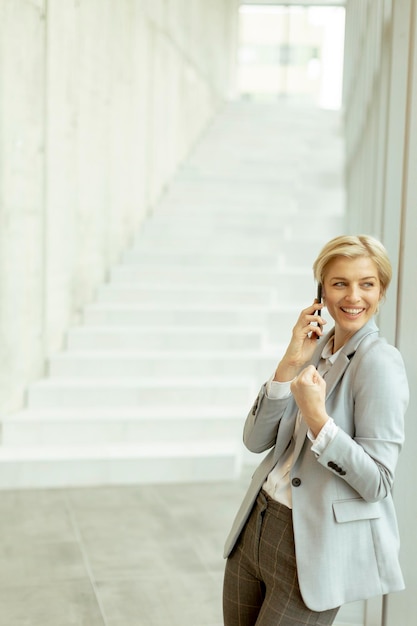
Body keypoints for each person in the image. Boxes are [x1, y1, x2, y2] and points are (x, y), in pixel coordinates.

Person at [222, 234, 409, 626]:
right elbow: (255, 442)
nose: (353, 296)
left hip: (311, 547)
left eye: (367, 284)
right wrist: (289, 362)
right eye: (340, 283)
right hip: (255, 527)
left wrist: (319, 421)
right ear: (321, 290)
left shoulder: (380, 363)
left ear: (382, 291)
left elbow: (378, 482)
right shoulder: (315, 349)